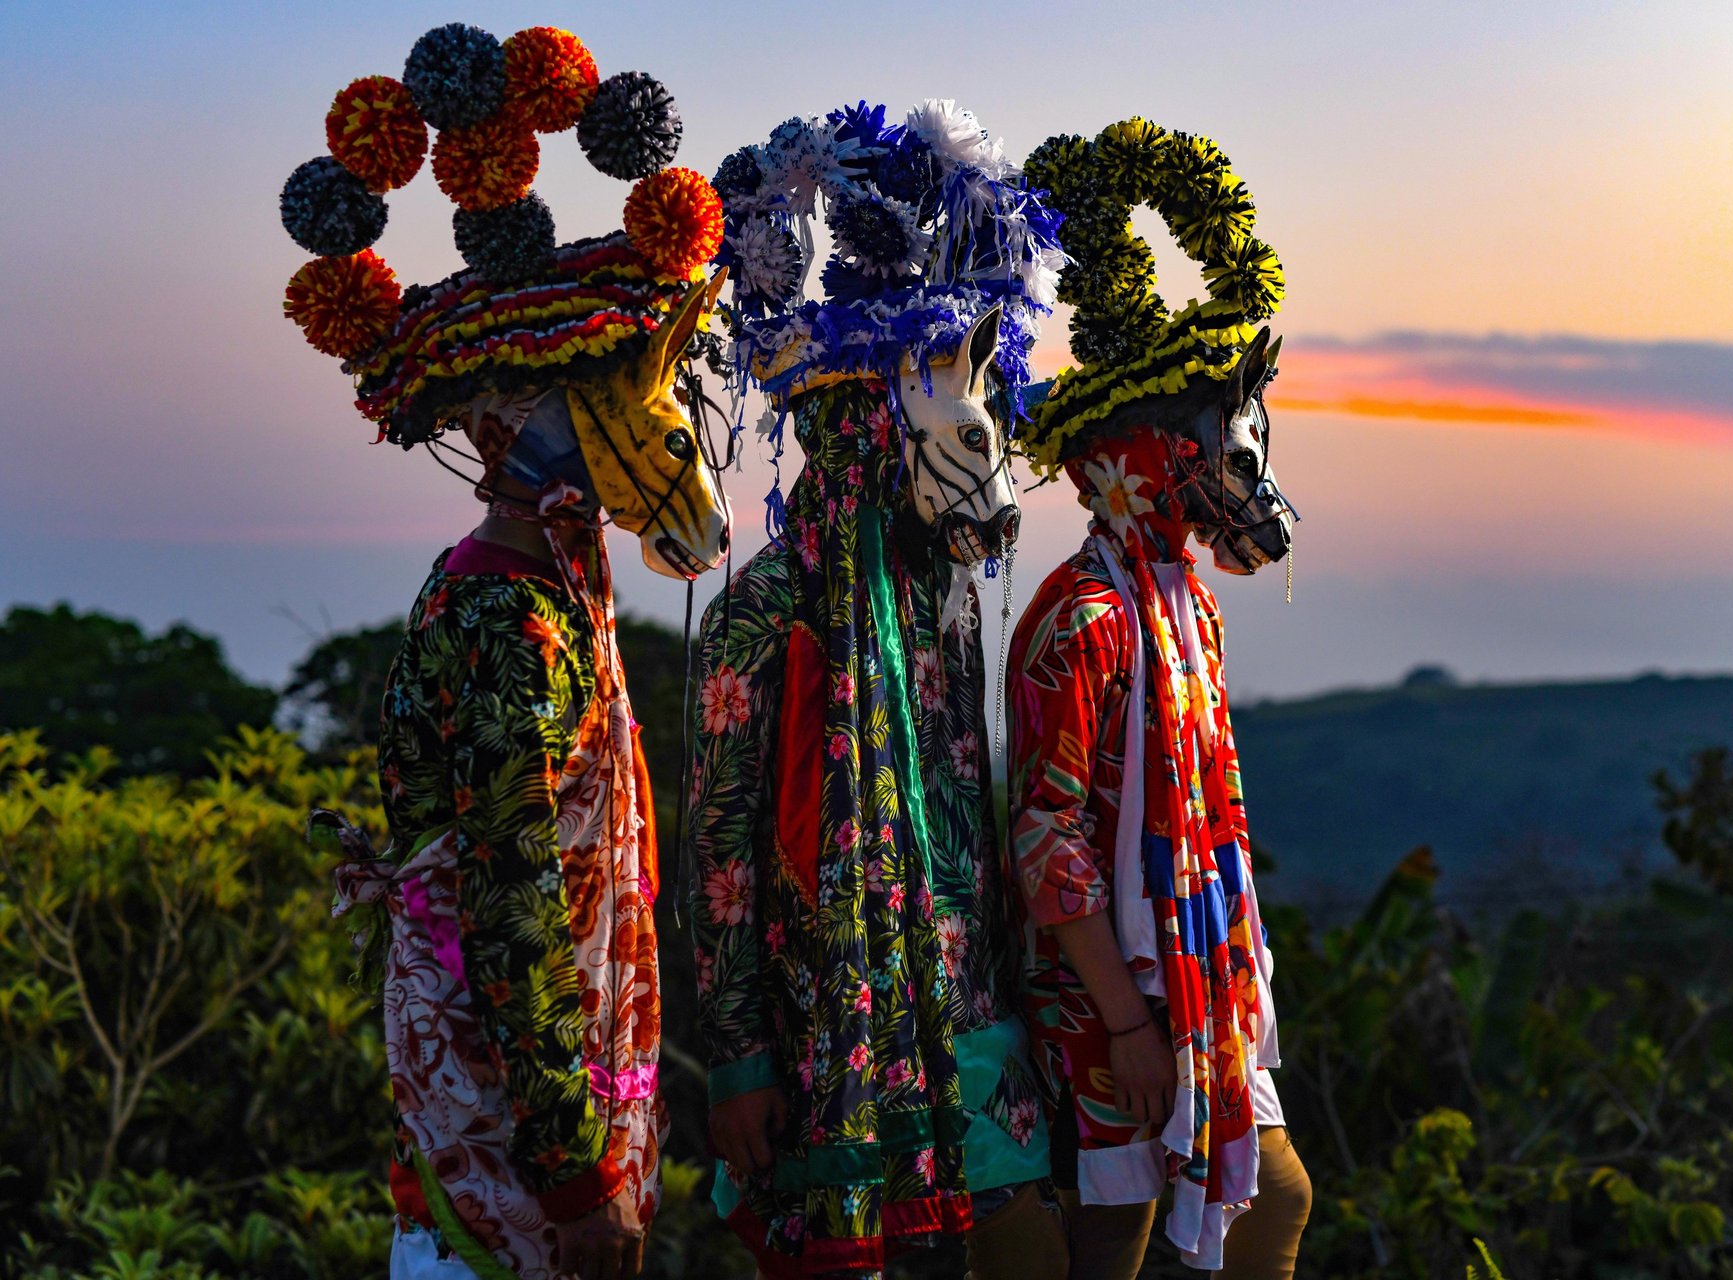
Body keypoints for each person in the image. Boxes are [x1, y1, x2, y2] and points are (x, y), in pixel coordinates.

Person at [288, 24, 732, 1278]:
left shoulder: (539, 591)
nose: (641, 415)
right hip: (511, 1146)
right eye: (593, 387)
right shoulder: (504, 619)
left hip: (535, 1112)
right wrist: (575, 1171)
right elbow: (514, 910)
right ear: (507, 423)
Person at [690, 102, 1069, 1280]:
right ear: (868, 430)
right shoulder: (768, 607)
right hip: (825, 1036)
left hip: (963, 1004)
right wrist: (742, 1054)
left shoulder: (933, 597)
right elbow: (722, 845)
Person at [1008, 118, 1310, 1280]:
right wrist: (1127, 1022)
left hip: (1192, 987)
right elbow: (1048, 835)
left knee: (1267, 1206)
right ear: (1149, 453)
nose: (1242, 477)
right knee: (1118, 1245)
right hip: (1112, 1006)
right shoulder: (1084, 615)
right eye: (1218, 449)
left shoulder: (1184, 601)